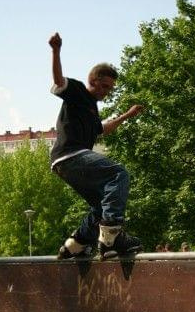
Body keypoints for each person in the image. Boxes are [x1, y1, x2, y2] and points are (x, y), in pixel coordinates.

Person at [48, 32, 143, 260]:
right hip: (70, 155)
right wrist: (56, 51)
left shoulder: (92, 109)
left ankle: (76, 244)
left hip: (67, 164)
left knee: (102, 204)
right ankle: (111, 236)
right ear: (93, 81)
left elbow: (102, 129)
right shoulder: (78, 91)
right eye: (104, 86)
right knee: (118, 174)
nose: (106, 92)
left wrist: (127, 115)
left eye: (110, 88)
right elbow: (59, 81)